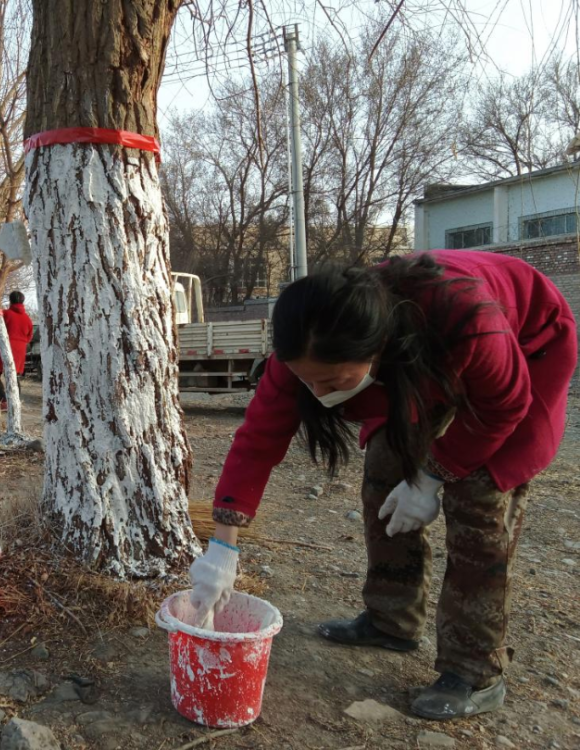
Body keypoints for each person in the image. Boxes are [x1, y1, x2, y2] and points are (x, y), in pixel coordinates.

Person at [190, 250, 576, 721]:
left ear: (375, 348)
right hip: (419, 369)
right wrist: (223, 547)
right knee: (385, 469)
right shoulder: (306, 349)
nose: (319, 394)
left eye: (331, 380)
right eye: (307, 381)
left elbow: (502, 407)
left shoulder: (463, 315)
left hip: (522, 354)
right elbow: (258, 440)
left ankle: (474, 670)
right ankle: (391, 619)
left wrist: (433, 477)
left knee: (479, 499)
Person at [0, 290, 33, 408]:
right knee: (14, 375)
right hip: (20, 349)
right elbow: (29, 337)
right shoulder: (27, 319)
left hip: (4, 346)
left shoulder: (5, 314)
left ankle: (3, 400)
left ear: (10, 300)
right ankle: (16, 401)